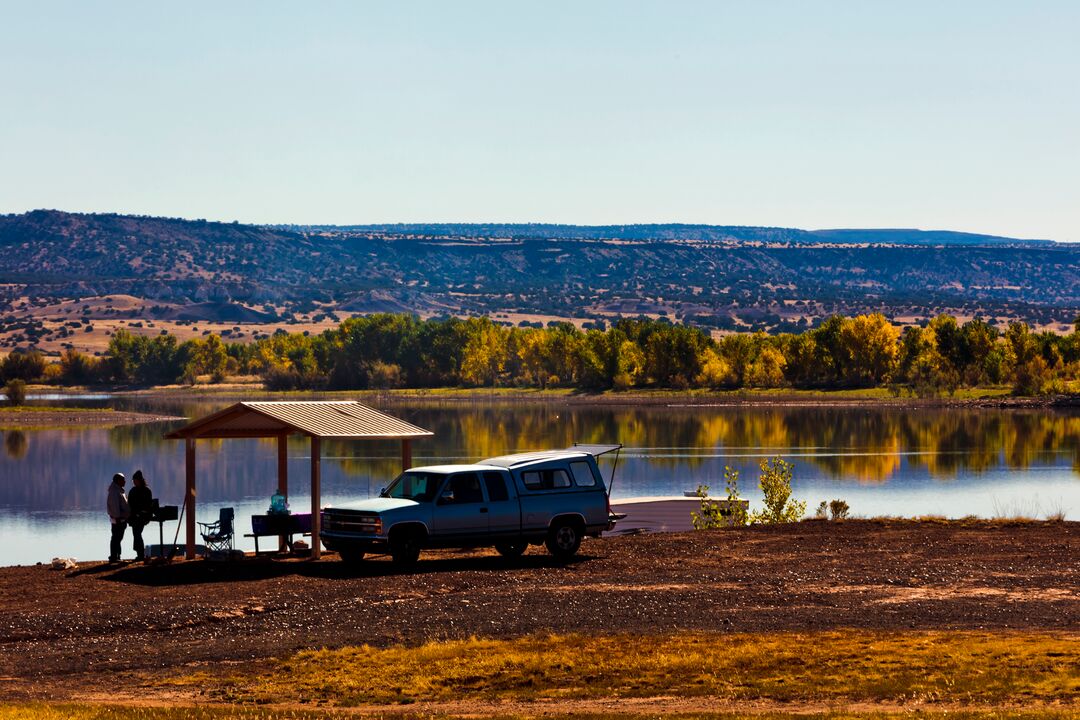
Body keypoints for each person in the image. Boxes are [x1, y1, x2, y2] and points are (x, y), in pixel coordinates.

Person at [127, 469, 154, 561]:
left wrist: (142, 512)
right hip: (134, 517)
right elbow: (129, 503)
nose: (134, 482)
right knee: (136, 534)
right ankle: (140, 553)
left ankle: (140, 554)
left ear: (140, 480)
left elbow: (148, 505)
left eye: (135, 481)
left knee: (137, 533)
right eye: (133, 481)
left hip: (143, 517)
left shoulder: (146, 491)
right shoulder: (133, 490)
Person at [106, 472, 130, 563]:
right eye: (123, 479)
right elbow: (115, 506)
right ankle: (113, 557)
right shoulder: (115, 491)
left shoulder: (118, 490)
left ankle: (117, 556)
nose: (125, 481)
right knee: (116, 538)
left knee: (118, 538)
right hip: (118, 519)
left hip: (121, 519)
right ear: (118, 481)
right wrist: (118, 518)